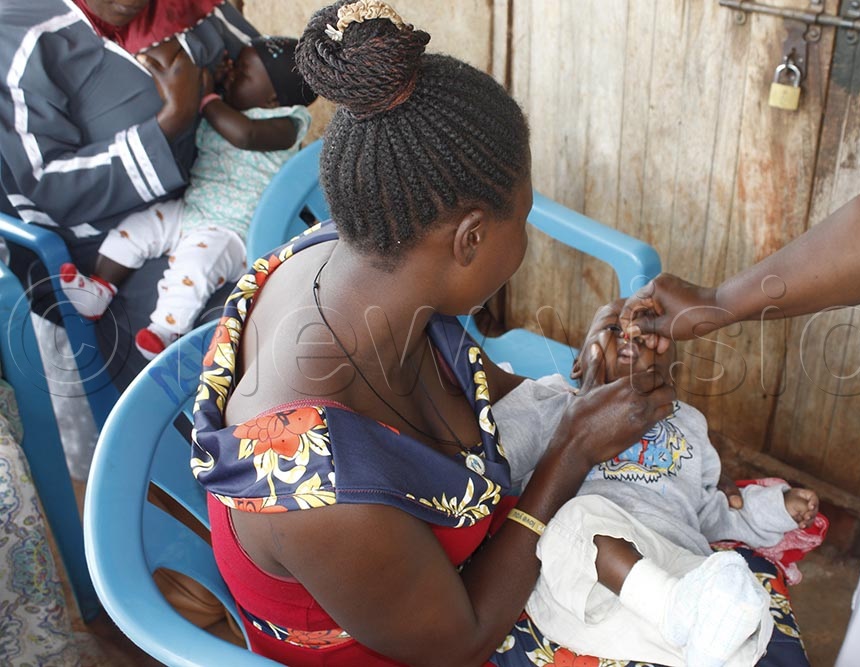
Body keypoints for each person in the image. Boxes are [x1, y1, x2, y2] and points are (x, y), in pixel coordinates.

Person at [188, 2, 690, 666]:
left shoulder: (367, 256)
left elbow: (464, 391)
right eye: (526, 217)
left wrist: (577, 388)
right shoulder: (321, 492)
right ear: (471, 238)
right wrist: (570, 447)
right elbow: (461, 639)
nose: (525, 238)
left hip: (434, 578)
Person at [618, 4, 860, 665]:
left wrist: (767, 514)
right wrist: (716, 303)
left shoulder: (682, 438)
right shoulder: (552, 428)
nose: (628, 351)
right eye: (610, 343)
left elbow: (712, 511)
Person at [491, 301, 820, 667]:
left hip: (673, 567)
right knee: (575, 523)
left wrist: (775, 507)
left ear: (669, 376)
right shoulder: (554, 404)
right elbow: (491, 453)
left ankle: (687, 623)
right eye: (613, 329)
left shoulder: (689, 424)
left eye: (652, 337)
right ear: (579, 364)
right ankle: (672, 609)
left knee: (741, 597)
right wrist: (582, 396)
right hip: (585, 583)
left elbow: (712, 510)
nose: (632, 336)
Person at [0, 0, 259, 387]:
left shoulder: (192, 7)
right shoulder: (20, 37)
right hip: (111, 256)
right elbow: (46, 186)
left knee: (324, 283)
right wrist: (169, 123)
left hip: (236, 195)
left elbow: (275, 68)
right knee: (242, 337)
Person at [58, 35, 315, 359]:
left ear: (272, 99)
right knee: (136, 228)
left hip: (233, 230)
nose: (232, 74)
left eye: (242, 74)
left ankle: (165, 331)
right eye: (234, 68)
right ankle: (100, 288)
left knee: (193, 267)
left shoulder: (287, 123)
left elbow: (245, 134)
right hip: (193, 210)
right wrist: (222, 84)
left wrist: (206, 99)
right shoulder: (232, 106)